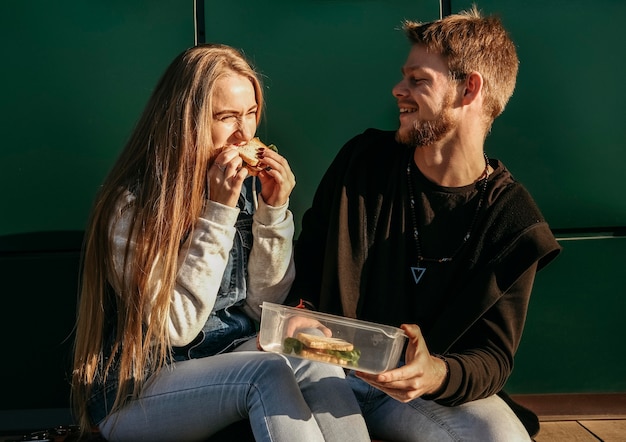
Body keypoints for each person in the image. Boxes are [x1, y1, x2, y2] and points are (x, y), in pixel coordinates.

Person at [287, 6, 561, 442]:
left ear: (469, 88)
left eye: (418, 80)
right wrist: (298, 318)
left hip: (425, 395)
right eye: (404, 77)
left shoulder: (515, 221)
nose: (399, 90)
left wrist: (435, 373)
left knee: (503, 436)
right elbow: (307, 261)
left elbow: (492, 357)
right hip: (329, 373)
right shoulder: (362, 163)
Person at [71, 43, 370, 442]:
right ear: (187, 121)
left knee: (316, 358)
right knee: (267, 372)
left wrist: (273, 212)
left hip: (226, 355)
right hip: (138, 388)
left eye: (250, 114)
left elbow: (262, 305)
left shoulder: (240, 187)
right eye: (227, 117)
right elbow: (175, 328)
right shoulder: (132, 205)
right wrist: (219, 211)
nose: (244, 133)